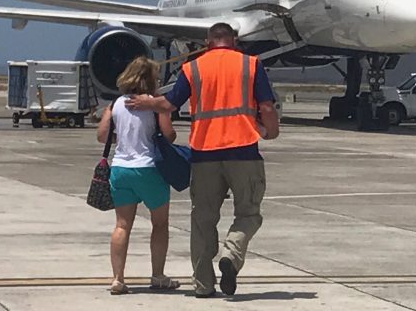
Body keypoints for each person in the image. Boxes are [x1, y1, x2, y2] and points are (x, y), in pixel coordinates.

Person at [126, 22, 280, 298]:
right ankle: (231, 255)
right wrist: (272, 131)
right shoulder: (251, 64)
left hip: (204, 154)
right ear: (233, 41)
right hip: (243, 151)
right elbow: (266, 106)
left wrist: (146, 103)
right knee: (248, 213)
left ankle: (203, 285)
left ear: (208, 42)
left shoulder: (193, 68)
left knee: (202, 221)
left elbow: (169, 104)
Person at [96, 56, 180, 295]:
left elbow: (102, 136)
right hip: (149, 168)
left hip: (121, 169)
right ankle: (158, 275)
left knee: (122, 225)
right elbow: (170, 135)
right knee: (160, 223)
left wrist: (124, 137)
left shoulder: (115, 104)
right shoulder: (154, 104)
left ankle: (117, 278)